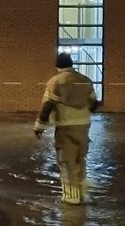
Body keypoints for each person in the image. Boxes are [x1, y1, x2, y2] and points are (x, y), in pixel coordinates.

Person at [33, 51, 98, 204]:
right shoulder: (85, 81)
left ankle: (71, 198)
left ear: (57, 66)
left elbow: (47, 106)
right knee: (80, 158)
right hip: (84, 126)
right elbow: (95, 103)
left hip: (65, 126)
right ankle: (82, 192)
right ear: (71, 64)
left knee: (66, 160)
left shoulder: (55, 82)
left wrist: (39, 126)